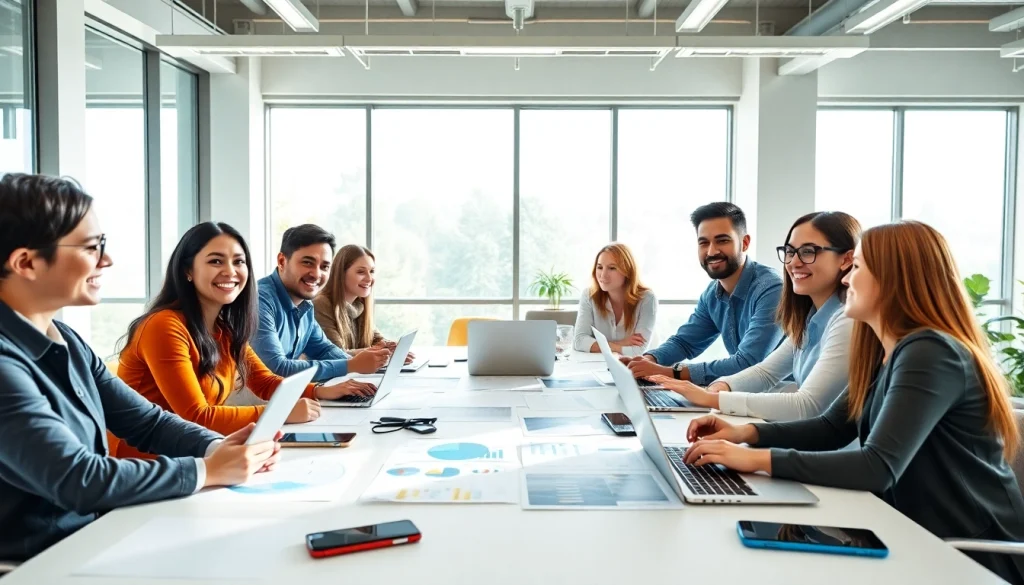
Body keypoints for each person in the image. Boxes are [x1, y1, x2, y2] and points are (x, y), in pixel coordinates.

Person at [683, 221, 1024, 584]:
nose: (846, 279)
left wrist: (755, 459)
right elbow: (831, 428)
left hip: (969, 554)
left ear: (895, 277)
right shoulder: (884, 350)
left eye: (857, 267)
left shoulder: (931, 352)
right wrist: (744, 434)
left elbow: (877, 466)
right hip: (909, 533)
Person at [0, 174, 280, 562]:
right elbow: (79, 479)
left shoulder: (65, 339)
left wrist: (217, 446)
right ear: (26, 262)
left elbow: (147, 422)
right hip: (37, 564)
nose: (107, 260)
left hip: (93, 535)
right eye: (91, 247)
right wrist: (207, 470)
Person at [117, 223, 367, 446]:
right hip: (147, 464)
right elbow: (196, 416)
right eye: (216, 261)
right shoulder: (164, 326)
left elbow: (265, 382)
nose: (230, 271)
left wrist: (321, 391)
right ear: (187, 270)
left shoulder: (224, 328)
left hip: (198, 449)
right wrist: (280, 412)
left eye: (238, 262)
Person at [648, 212, 859, 422]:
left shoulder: (846, 319)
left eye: (808, 252)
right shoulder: (808, 318)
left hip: (808, 430)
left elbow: (808, 405)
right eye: (790, 252)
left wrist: (712, 398)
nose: (794, 262)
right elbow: (765, 373)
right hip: (793, 427)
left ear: (847, 259)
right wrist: (722, 386)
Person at [622, 202, 783, 386]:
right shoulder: (712, 293)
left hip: (782, 394)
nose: (711, 251)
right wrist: (647, 361)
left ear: (744, 243)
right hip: (743, 392)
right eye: (704, 243)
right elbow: (685, 342)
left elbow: (748, 363)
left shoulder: (772, 289)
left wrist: (667, 373)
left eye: (722, 240)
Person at [251, 225, 388, 387]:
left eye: (324, 267)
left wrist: (364, 367)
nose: (317, 274)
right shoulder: (259, 300)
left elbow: (324, 350)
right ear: (282, 261)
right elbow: (276, 369)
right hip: (249, 401)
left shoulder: (305, 305)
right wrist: (351, 365)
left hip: (284, 397)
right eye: (307, 263)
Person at [313, 244, 413, 364]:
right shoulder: (321, 304)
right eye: (361, 272)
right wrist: (379, 351)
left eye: (372, 271)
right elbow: (335, 355)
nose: (369, 278)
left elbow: (377, 340)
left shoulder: (359, 305)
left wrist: (392, 348)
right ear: (341, 274)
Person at [573, 243, 657, 356]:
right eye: (600, 267)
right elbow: (579, 341)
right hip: (597, 364)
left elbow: (637, 351)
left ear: (628, 271)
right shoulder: (589, 295)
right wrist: (621, 344)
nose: (603, 275)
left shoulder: (647, 299)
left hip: (635, 365)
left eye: (612, 268)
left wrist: (599, 345)